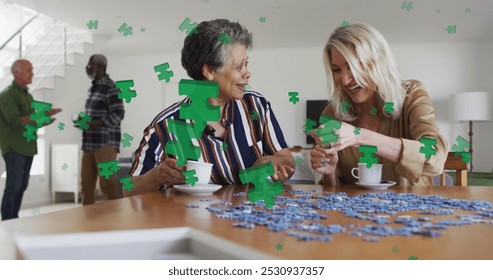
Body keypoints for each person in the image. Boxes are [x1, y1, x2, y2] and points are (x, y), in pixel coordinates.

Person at [125, 19, 294, 196]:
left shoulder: (257, 106)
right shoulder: (165, 126)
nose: (247, 73)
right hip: (195, 220)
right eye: (239, 66)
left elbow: (286, 159)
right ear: (209, 72)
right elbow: (128, 189)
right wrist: (157, 176)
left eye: (246, 64)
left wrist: (274, 162)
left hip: (255, 217)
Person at [310, 23, 448, 186]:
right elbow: (333, 195)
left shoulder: (412, 95)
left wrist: (360, 136)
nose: (345, 80)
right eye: (337, 70)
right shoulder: (332, 113)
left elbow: (435, 158)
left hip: (413, 209)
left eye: (353, 66)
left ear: (378, 61)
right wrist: (329, 173)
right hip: (354, 211)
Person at [0, 59, 61, 220]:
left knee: (21, 186)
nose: (32, 73)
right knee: (13, 186)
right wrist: (41, 116)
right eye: (28, 70)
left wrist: (46, 117)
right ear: (16, 73)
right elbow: (16, 120)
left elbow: (32, 118)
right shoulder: (7, 95)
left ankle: (14, 218)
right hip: (14, 148)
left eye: (32, 70)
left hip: (28, 147)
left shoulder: (28, 95)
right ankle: (7, 221)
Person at [79, 54, 125, 205]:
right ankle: (88, 221)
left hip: (106, 144)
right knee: (86, 185)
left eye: (90, 65)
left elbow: (118, 114)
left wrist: (95, 124)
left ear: (100, 67)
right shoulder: (92, 88)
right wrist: (84, 122)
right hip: (89, 144)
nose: (87, 67)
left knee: (108, 185)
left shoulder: (111, 88)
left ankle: (111, 222)